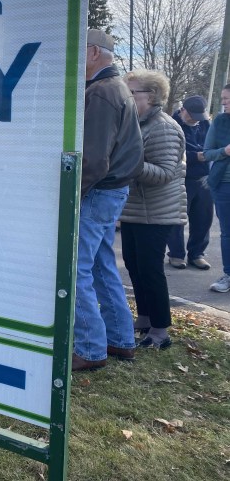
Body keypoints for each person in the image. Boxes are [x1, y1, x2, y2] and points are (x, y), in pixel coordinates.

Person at [73, 29, 144, 371]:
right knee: (101, 265)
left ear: (93, 53)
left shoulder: (101, 92)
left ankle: (88, 348)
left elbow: (93, 159)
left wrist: (73, 195)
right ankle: (120, 339)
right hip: (112, 190)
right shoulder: (116, 89)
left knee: (76, 270)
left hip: (98, 191)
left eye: (78, 50)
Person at [119, 70, 186, 350]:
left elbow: (165, 172)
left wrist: (127, 162)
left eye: (131, 93)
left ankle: (160, 331)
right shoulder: (136, 123)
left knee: (151, 270)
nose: (127, 97)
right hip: (135, 210)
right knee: (135, 267)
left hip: (156, 213)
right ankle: (144, 318)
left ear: (152, 96)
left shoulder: (163, 127)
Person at [166, 95, 212, 270]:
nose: (194, 119)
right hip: (180, 177)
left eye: (198, 116)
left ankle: (197, 253)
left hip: (203, 178)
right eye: (191, 115)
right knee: (177, 218)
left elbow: (213, 144)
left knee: (203, 218)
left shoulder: (205, 123)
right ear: (183, 110)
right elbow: (173, 150)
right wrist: (197, 155)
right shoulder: (172, 124)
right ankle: (176, 254)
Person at [203, 83, 230, 294]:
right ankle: (228, 275)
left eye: (227, 99)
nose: (223, 102)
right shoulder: (220, 122)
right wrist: (225, 151)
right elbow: (207, 153)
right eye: (222, 98)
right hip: (224, 186)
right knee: (227, 233)